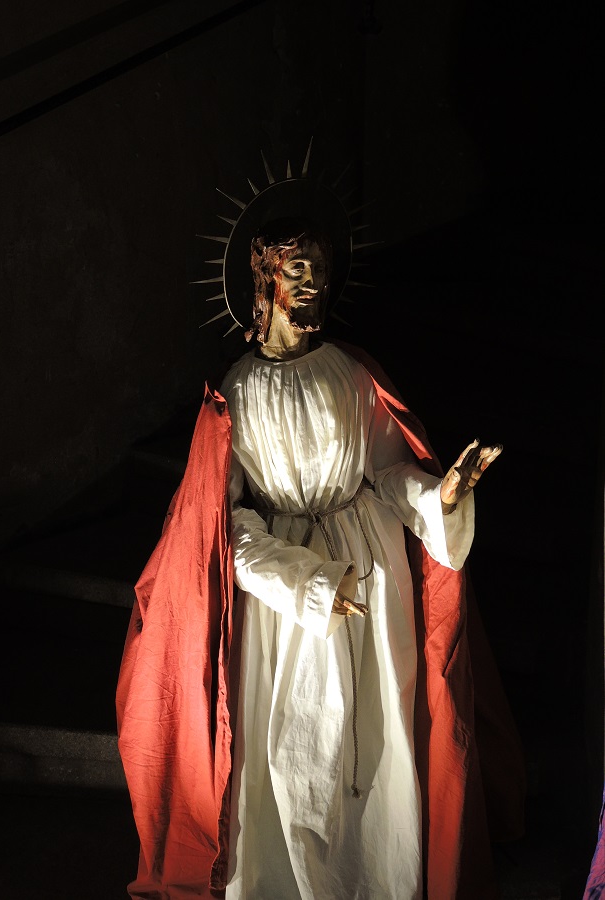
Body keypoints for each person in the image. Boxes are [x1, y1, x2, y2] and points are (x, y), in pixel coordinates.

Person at [116, 166, 525, 900]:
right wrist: (303, 583)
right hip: (286, 606)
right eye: (298, 271)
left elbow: (387, 472)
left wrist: (441, 495)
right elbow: (221, 527)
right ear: (265, 280)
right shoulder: (235, 393)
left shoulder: (350, 373)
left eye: (321, 272)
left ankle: (380, 879)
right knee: (295, 747)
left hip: (371, 577)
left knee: (377, 739)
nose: (314, 286)